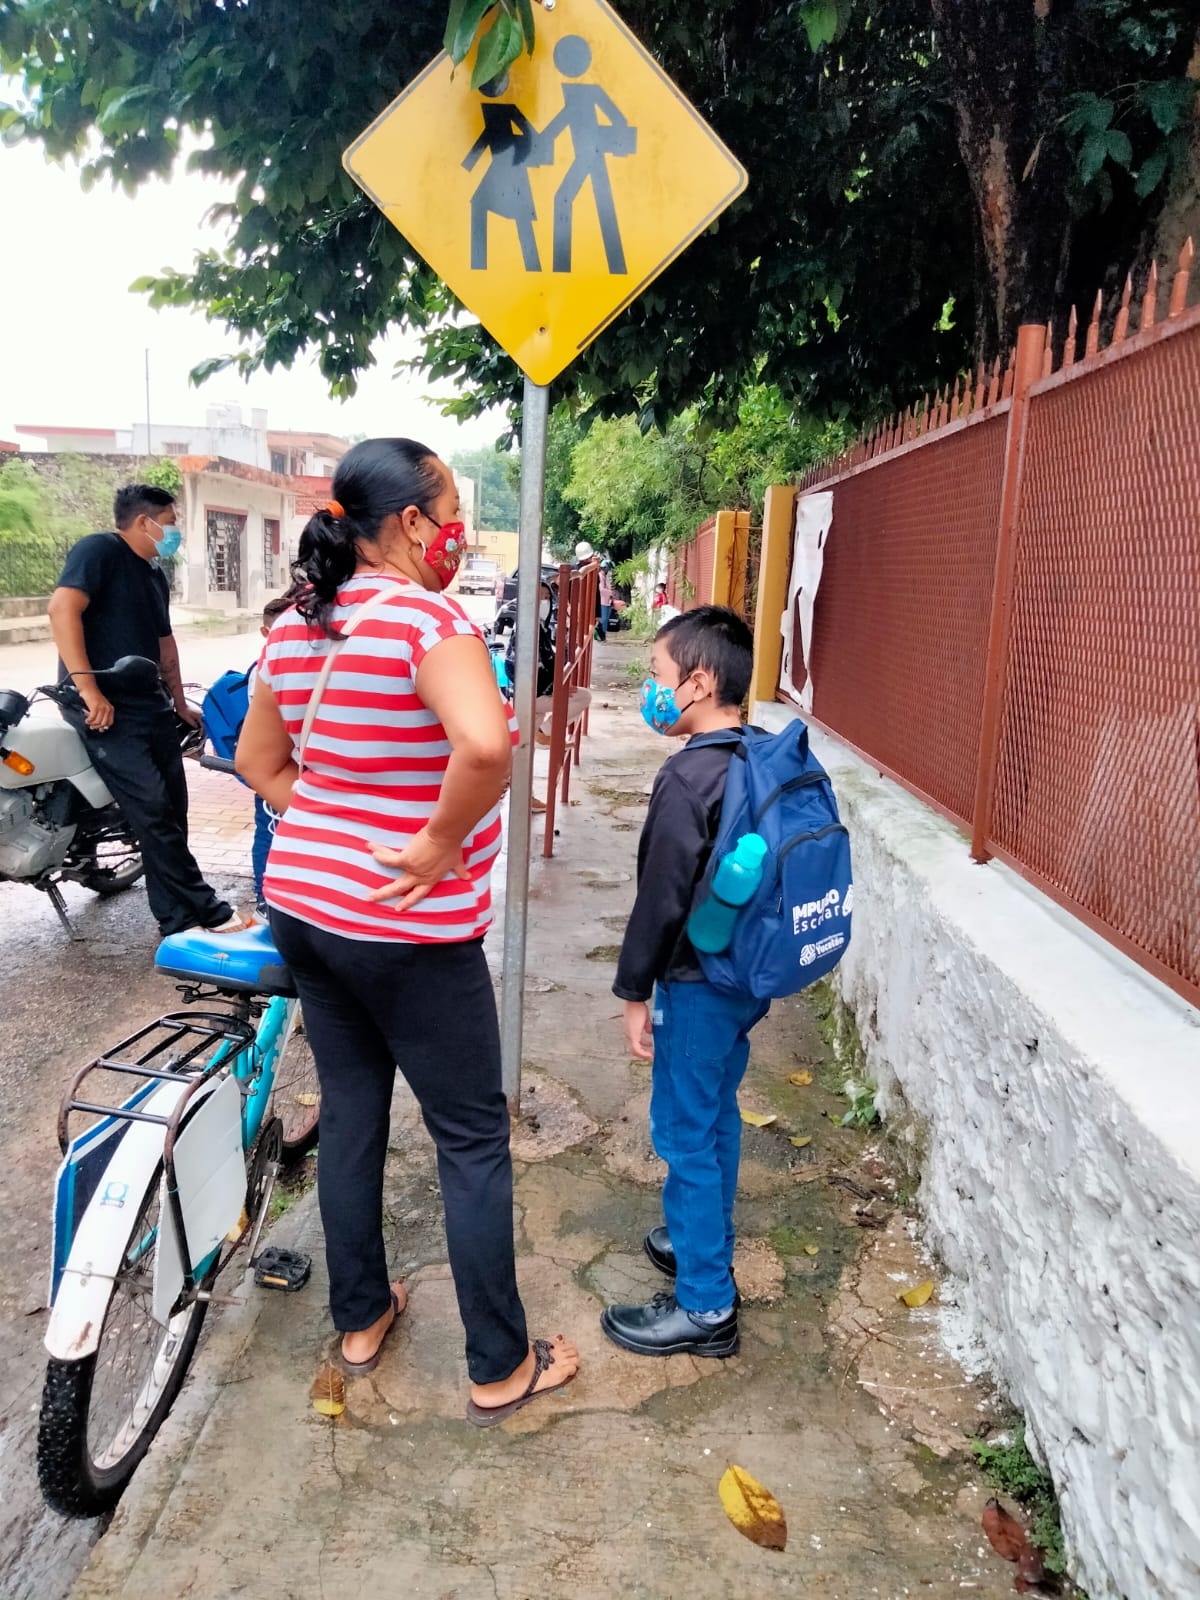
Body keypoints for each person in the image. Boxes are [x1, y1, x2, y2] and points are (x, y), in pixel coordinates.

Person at [235, 438, 579, 1421]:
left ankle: (360, 1318)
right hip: (405, 928)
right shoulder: (427, 620)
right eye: (452, 508)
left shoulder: (300, 623)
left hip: (305, 908)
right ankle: (501, 1364)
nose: (457, 529)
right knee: (470, 1138)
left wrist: (329, 826)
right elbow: (489, 746)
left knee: (350, 1112)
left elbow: (261, 757)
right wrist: (430, 842)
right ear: (416, 523)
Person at [602, 606, 761, 1359]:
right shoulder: (754, 755)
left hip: (696, 985)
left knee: (684, 1135)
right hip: (743, 977)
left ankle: (704, 1306)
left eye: (659, 676)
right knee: (715, 1112)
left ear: (698, 684)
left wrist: (635, 993)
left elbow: (659, 900)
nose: (651, 689)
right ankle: (707, 1239)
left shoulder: (686, 777)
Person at [47, 484, 249, 937]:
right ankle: (209, 908)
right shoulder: (98, 550)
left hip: (149, 703)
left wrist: (178, 702)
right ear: (145, 522)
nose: (173, 532)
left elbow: (164, 642)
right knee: (152, 811)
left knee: (173, 812)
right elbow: (62, 610)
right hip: (105, 709)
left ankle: (175, 920)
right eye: (171, 523)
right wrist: (88, 690)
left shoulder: (152, 571)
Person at [504, 579, 592, 812]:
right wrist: (552, 687)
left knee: (524, 748)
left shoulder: (540, 626)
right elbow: (516, 666)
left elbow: (547, 662)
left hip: (536, 695)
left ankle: (525, 794)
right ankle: (547, 733)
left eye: (546, 597)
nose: (543, 602)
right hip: (529, 696)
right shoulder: (526, 629)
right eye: (538, 597)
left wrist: (555, 684)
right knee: (582, 697)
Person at [249, 594, 294, 914]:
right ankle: (265, 898)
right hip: (277, 768)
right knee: (269, 830)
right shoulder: (263, 671)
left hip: (293, 769)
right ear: (267, 633)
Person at [597, 559, 616, 641]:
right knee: (603, 619)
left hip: (607, 601)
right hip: (603, 601)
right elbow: (601, 589)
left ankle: (602, 635)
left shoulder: (605, 576)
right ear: (605, 567)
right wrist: (611, 592)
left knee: (605, 620)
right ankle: (600, 635)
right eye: (608, 568)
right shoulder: (600, 576)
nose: (609, 570)